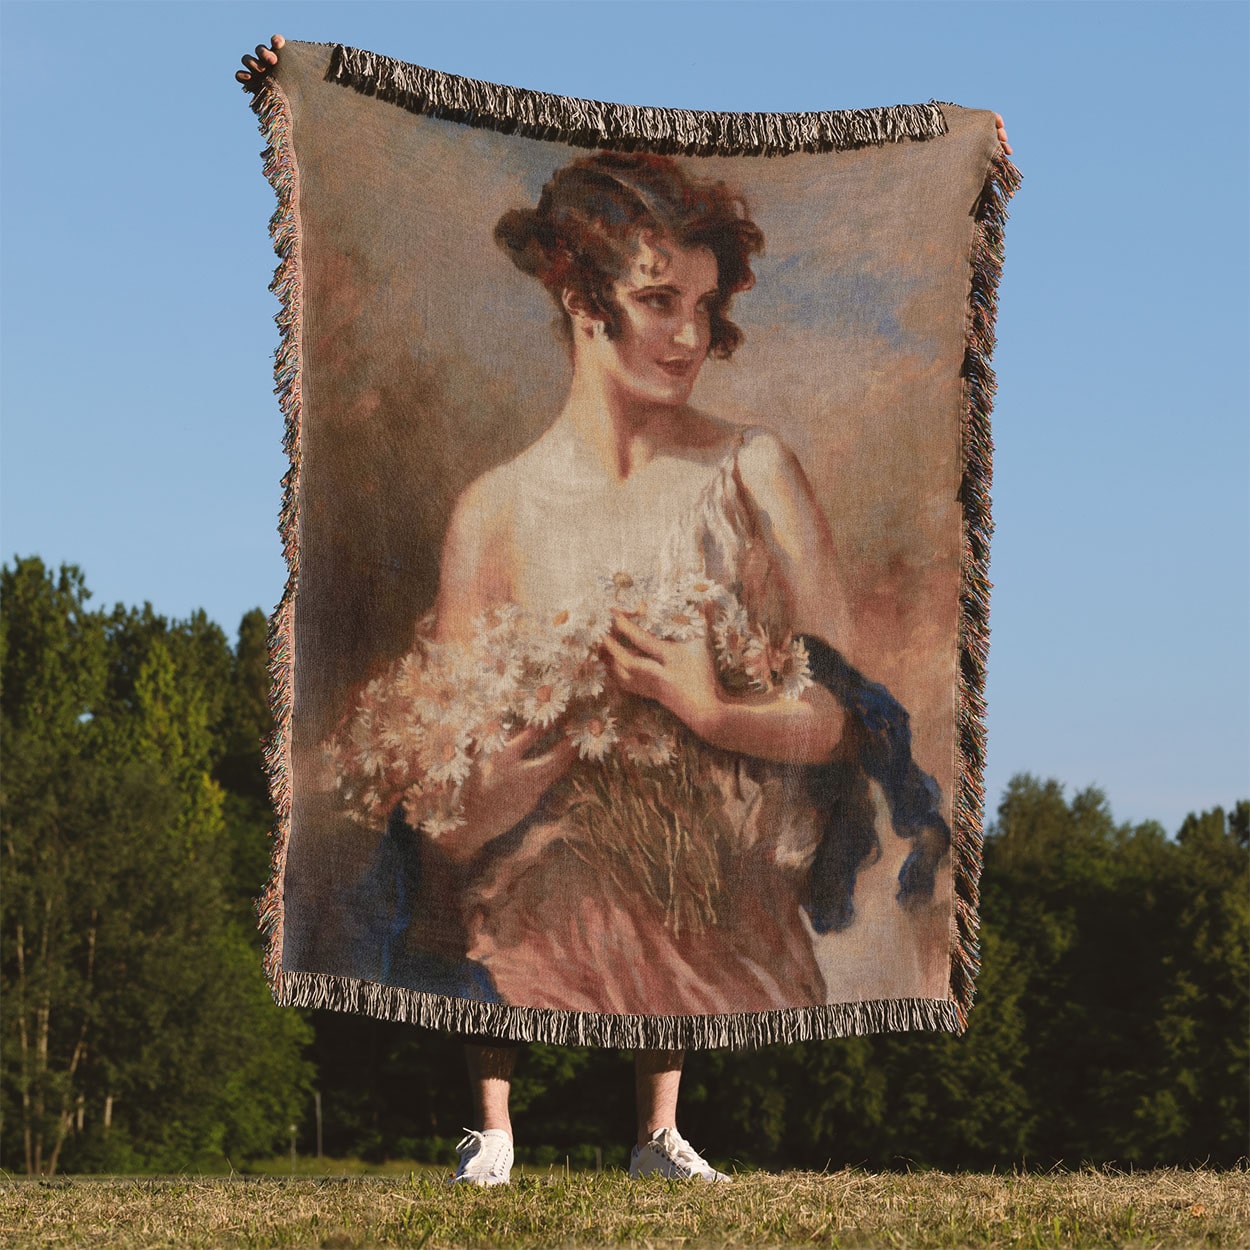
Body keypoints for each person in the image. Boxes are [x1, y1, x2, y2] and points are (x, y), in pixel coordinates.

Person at [237, 36, 1012, 1186]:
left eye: (702, 305)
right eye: (658, 301)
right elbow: (448, 806)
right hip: (531, 899)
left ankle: (656, 1130)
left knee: (677, 869)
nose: (689, 336)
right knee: (503, 890)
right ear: (576, 294)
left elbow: (844, 708)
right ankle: (492, 1128)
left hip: (714, 893)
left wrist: (700, 707)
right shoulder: (492, 511)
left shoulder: (753, 469)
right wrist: (536, 761)